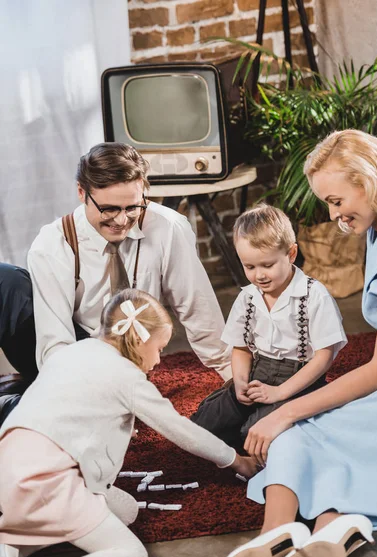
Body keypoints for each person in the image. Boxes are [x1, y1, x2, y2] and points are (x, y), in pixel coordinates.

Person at [207, 129, 377, 557]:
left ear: (368, 179)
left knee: (299, 428)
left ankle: (309, 527)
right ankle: (297, 533)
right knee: (301, 434)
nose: (334, 215)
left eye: (336, 201)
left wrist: (284, 410)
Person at [0, 288, 256, 557]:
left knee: (127, 509)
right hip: (46, 481)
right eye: (159, 348)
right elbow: (182, 431)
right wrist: (236, 460)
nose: (160, 358)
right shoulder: (127, 378)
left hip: (8, 468)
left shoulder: (71, 352)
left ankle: (13, 543)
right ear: (138, 340)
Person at [0, 142, 232, 422]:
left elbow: (198, 309)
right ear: (82, 193)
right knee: (7, 280)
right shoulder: (52, 243)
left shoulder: (168, 228)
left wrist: (234, 375)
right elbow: (55, 347)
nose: (122, 220)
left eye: (132, 207)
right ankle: (18, 405)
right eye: (109, 209)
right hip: (76, 353)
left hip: (132, 354)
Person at [191, 204, 347, 446]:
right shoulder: (248, 297)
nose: (259, 275)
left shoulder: (314, 295)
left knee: (256, 433)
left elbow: (324, 357)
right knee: (202, 425)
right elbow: (241, 348)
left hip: (300, 378)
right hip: (259, 372)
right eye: (250, 267)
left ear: (291, 254)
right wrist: (241, 381)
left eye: (268, 265)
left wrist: (280, 392)